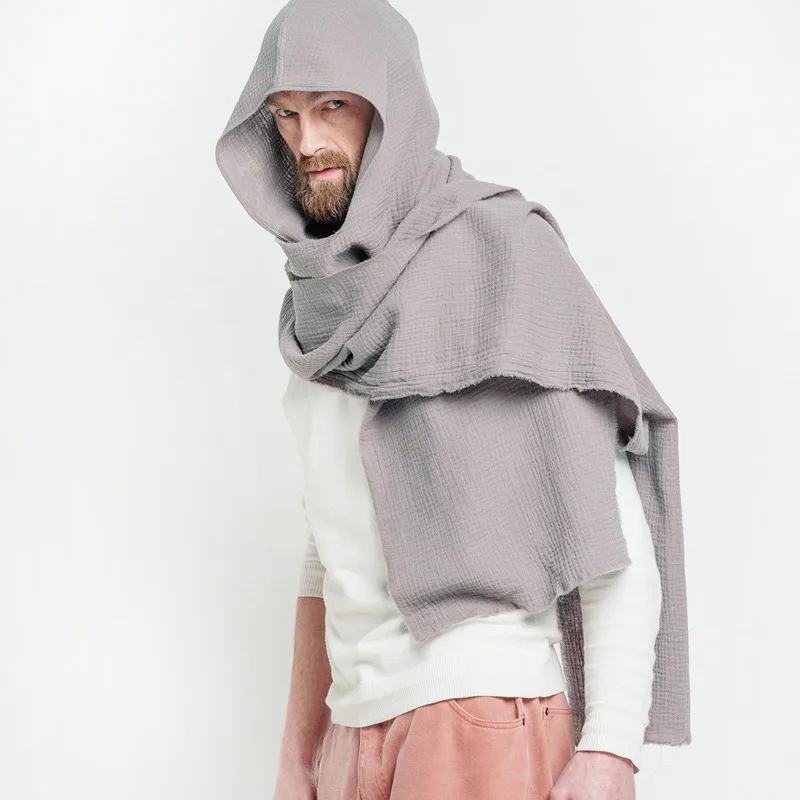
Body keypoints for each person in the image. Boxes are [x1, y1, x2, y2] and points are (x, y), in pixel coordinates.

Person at [214, 1, 691, 798]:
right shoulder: (322, 308)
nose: (307, 141)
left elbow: (607, 531)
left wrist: (609, 748)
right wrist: (299, 752)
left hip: (478, 716)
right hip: (353, 730)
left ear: (391, 104)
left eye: (333, 105)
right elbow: (331, 543)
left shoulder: (503, 256)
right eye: (286, 114)